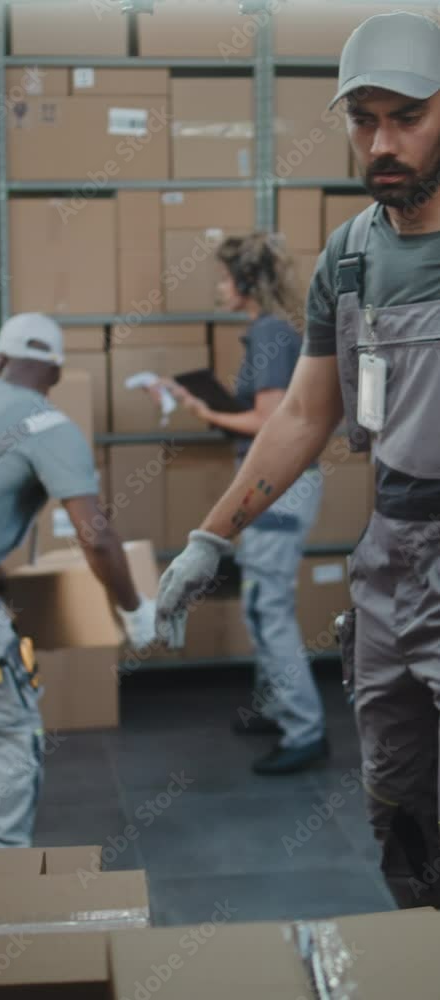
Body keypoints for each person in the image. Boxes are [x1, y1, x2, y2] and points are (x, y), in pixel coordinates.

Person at [156, 9, 440, 910]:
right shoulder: (349, 259)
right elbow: (305, 416)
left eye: (407, 117)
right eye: (363, 120)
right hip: (393, 556)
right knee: (398, 795)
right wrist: (209, 540)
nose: (381, 143)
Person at [0, 313, 157, 848]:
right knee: (13, 732)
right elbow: (97, 538)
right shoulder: (48, 426)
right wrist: (134, 610)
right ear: (56, 372)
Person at [162, 234, 327, 775]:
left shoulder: (271, 333)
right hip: (273, 489)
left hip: (277, 490)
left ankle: (305, 731)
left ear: (246, 282)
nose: (219, 286)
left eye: (224, 277)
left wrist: (204, 413)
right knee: (265, 603)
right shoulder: (271, 330)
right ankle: (279, 707)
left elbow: (270, 422)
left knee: (266, 606)